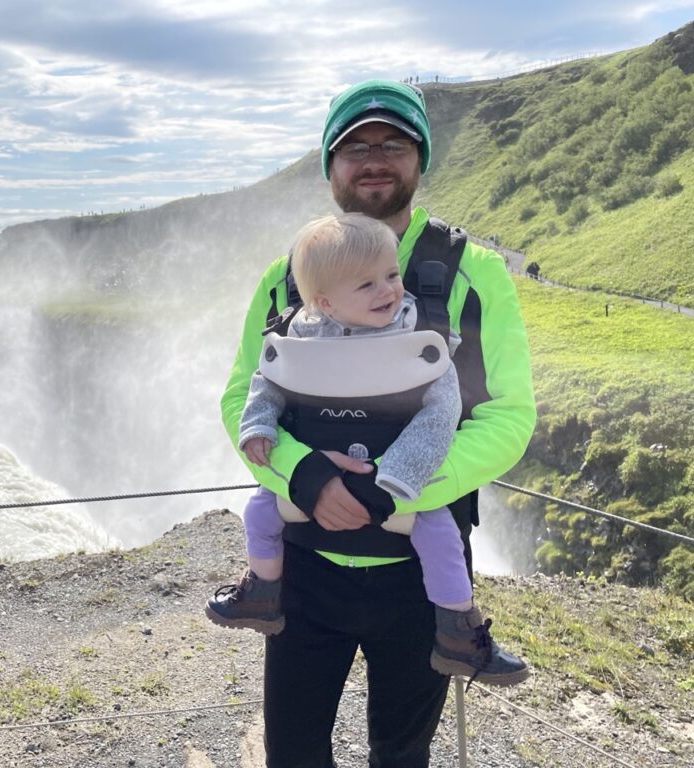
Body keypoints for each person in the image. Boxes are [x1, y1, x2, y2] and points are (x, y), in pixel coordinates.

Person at [219, 80, 536, 767]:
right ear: (329, 165)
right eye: (354, 145)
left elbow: (509, 416)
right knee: (294, 753)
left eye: (394, 142)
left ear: (421, 159)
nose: (374, 158)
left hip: (419, 572)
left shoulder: (473, 271)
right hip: (305, 571)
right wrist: (301, 476)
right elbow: (243, 397)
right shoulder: (287, 276)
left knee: (402, 755)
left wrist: (398, 489)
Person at [206, 212, 529, 688]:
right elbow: (264, 381)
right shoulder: (300, 325)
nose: (388, 291)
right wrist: (268, 439)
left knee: (440, 535)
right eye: (368, 285)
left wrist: (397, 481)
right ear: (323, 301)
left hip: (403, 492)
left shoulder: (419, 325)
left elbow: (451, 407)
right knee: (257, 514)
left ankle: (458, 626)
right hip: (310, 557)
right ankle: (262, 592)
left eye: (393, 276)